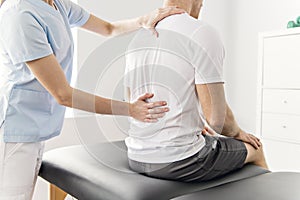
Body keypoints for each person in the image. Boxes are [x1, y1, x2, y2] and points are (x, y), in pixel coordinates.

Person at [0, 0, 185, 198]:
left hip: (36, 128)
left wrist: (143, 20)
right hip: (14, 131)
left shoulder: (56, 4)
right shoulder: (20, 14)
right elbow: (63, 94)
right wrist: (130, 109)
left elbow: (108, 28)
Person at [124, 0, 268, 182]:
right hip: (181, 159)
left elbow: (133, 103)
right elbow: (217, 119)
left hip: (136, 156)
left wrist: (193, 126)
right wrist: (239, 133)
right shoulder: (201, 32)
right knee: (256, 149)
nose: (201, 7)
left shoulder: (138, 37)